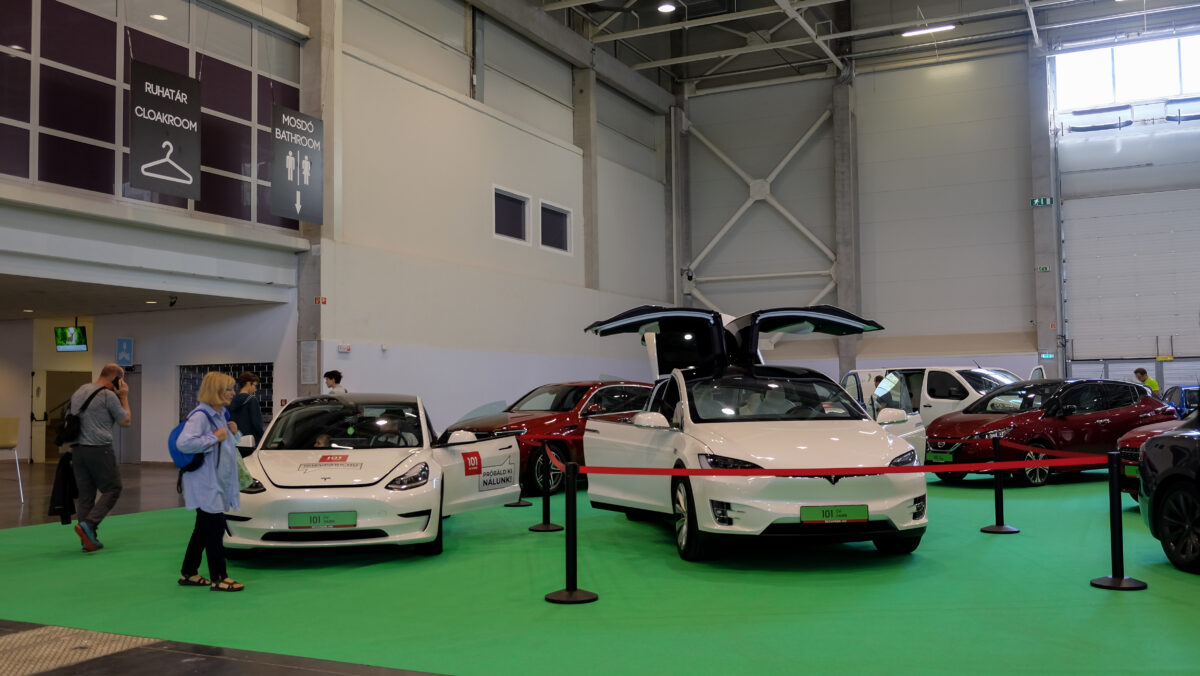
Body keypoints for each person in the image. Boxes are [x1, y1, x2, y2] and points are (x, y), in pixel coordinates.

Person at [176, 372, 245, 592]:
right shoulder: (200, 416)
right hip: (204, 483)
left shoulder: (220, 414)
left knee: (203, 530)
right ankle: (219, 577)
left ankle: (189, 572)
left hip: (214, 481)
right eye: (228, 389)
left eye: (232, 389)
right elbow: (184, 443)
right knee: (214, 529)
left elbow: (226, 446)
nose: (233, 393)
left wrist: (234, 433)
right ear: (216, 391)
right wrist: (215, 437)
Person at [69, 363, 131, 553]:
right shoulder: (107, 396)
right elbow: (125, 421)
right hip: (99, 448)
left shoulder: (80, 391)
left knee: (86, 496)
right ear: (116, 379)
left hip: (77, 450)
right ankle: (89, 525)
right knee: (113, 488)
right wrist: (124, 397)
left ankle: (87, 540)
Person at [227, 372, 265, 446]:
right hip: (250, 442)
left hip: (234, 440)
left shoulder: (231, 400)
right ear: (248, 383)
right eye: (255, 385)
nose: (255, 389)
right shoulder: (252, 400)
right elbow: (257, 424)